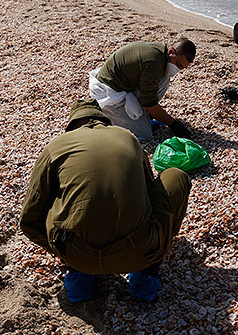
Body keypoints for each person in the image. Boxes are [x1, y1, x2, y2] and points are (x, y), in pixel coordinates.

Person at [19, 99, 191, 302]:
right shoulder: (127, 136)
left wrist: (62, 249)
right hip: (139, 251)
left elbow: (29, 220)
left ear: (73, 124)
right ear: (104, 120)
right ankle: (145, 278)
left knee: (53, 199)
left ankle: (79, 278)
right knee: (176, 176)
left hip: (77, 254)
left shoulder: (55, 146)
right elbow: (148, 192)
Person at [89, 38, 196, 141]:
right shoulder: (153, 63)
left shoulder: (161, 53)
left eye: (182, 68)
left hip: (124, 84)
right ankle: (107, 115)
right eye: (178, 64)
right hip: (107, 91)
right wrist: (173, 123)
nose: (177, 69)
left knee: (164, 78)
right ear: (171, 51)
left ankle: (143, 116)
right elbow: (149, 103)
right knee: (144, 134)